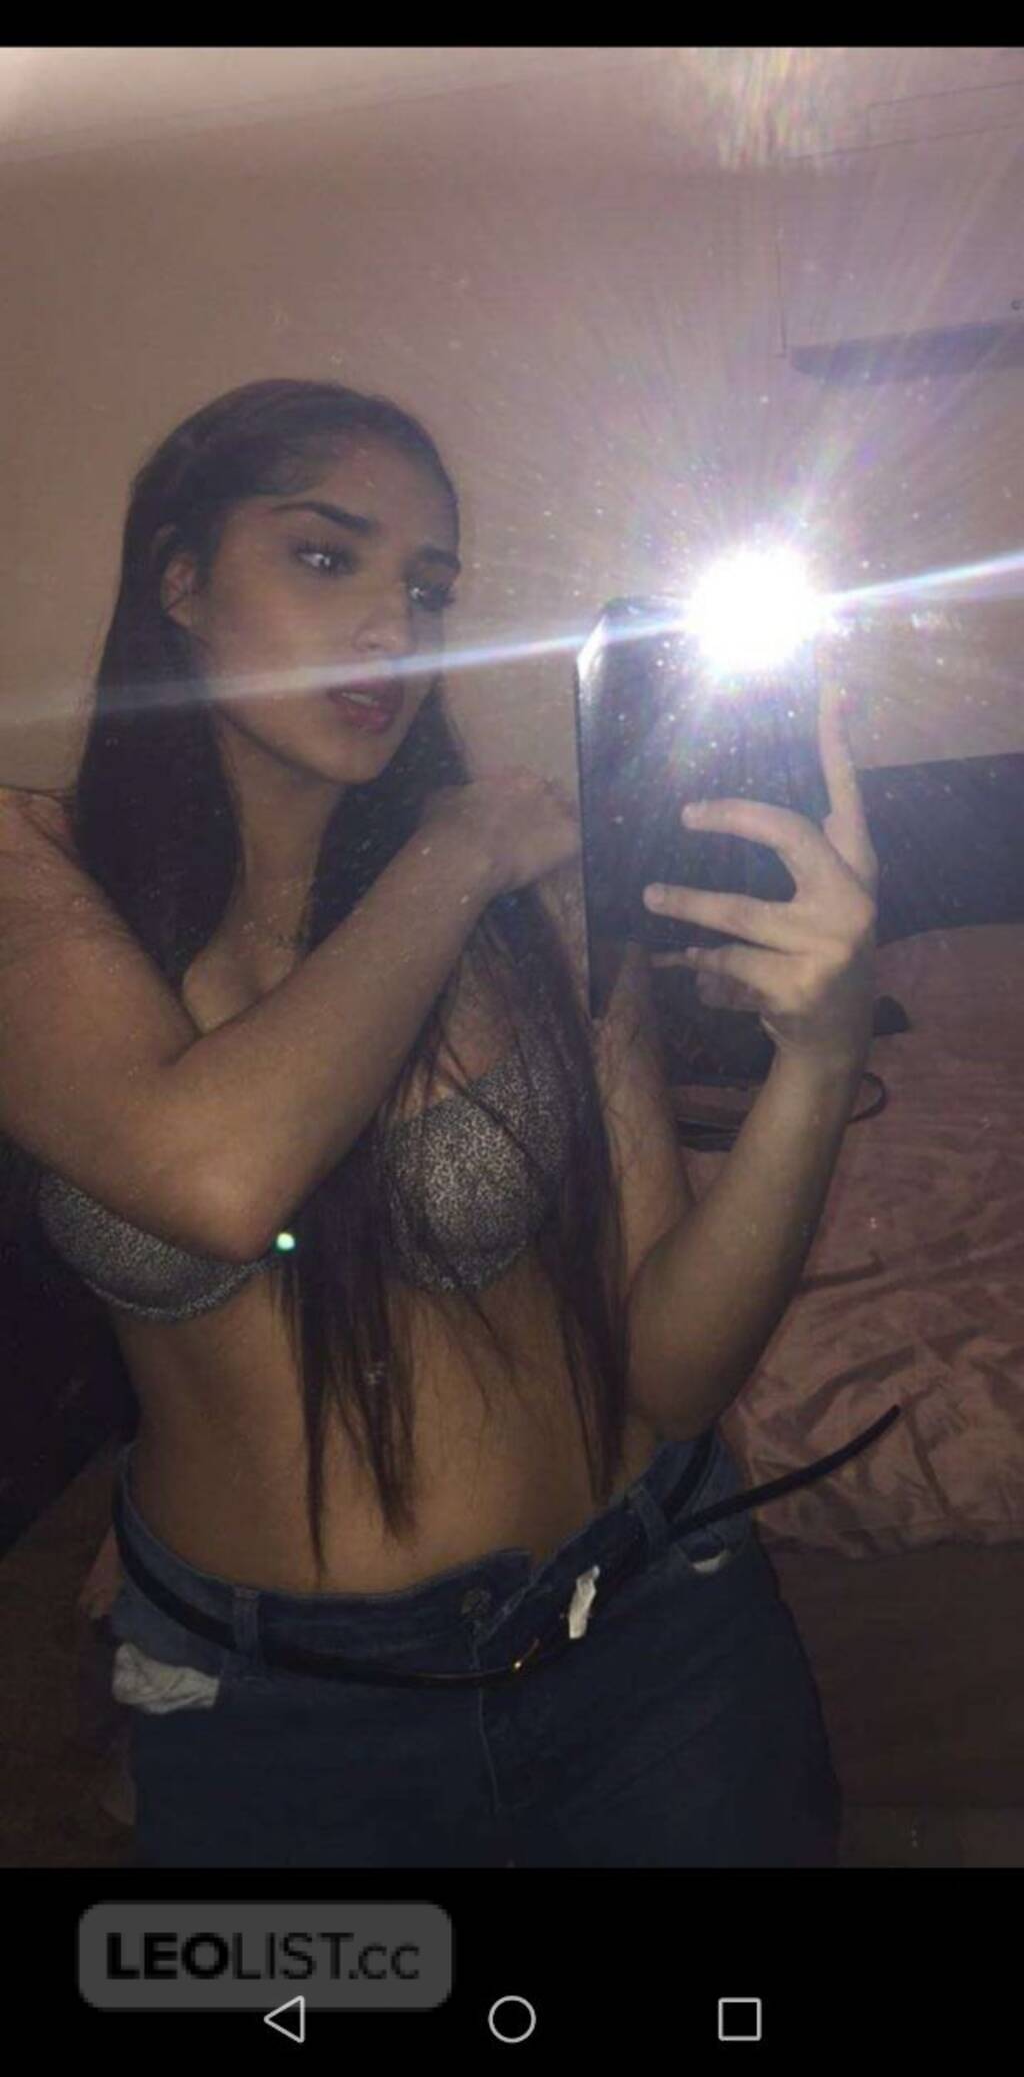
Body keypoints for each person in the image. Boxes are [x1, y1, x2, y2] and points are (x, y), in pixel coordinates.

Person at [0, 379, 878, 1867]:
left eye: (427, 589)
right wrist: (455, 852)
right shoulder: (35, 870)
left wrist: (821, 1054)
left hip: (645, 1632)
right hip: (272, 1707)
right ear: (180, 579)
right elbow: (211, 1175)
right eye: (325, 557)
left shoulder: (539, 911)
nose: (393, 631)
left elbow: (676, 1369)